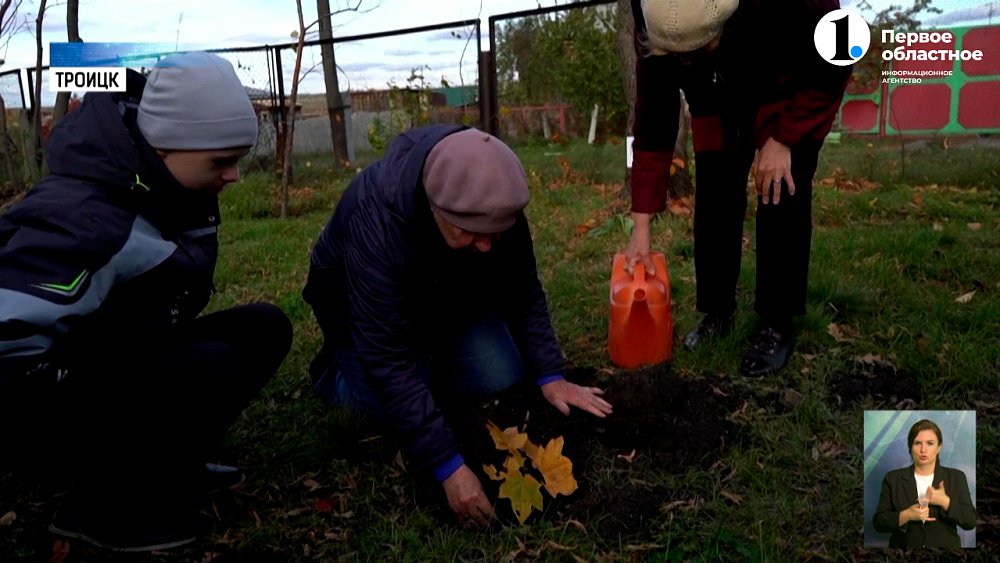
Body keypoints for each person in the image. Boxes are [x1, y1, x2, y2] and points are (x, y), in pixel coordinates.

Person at [0, 52, 293, 552]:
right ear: (162, 147)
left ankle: (167, 467)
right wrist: (79, 388)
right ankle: (103, 509)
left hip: (105, 360)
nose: (234, 176)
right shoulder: (85, 219)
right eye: (220, 161)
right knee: (207, 364)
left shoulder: (159, 188)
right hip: (32, 410)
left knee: (263, 328)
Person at [303, 125, 613, 526]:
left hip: (445, 300)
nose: (486, 245)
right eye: (470, 232)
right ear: (436, 209)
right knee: (397, 395)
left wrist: (551, 376)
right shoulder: (376, 220)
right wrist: (448, 467)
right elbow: (386, 358)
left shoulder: (496, 205)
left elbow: (523, 292)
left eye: (494, 234)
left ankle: (432, 360)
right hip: (362, 319)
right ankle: (335, 374)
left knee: (503, 373)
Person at [626, 0, 852, 376]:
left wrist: (784, 138)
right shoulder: (648, 10)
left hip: (787, 90)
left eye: (692, 52)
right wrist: (641, 226)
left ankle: (776, 323)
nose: (683, 64)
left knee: (781, 192)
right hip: (715, 99)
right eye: (675, 55)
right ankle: (717, 312)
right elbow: (653, 118)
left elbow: (838, 58)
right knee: (715, 195)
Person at [872, 419, 977, 548]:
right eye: (917, 443)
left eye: (930, 443)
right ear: (910, 447)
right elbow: (879, 523)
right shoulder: (893, 478)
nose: (923, 449)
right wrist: (907, 515)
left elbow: (970, 521)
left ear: (939, 447)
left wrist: (945, 502)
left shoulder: (956, 477)